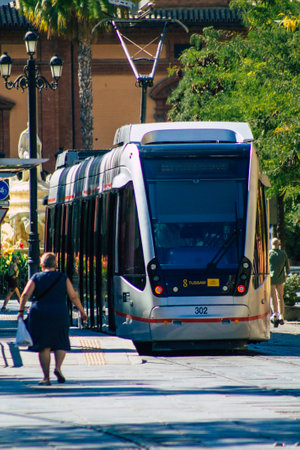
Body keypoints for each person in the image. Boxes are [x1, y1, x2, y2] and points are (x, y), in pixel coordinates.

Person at [17, 252, 88, 385]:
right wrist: (82, 312)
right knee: (60, 341)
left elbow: (25, 294)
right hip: (59, 312)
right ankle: (58, 368)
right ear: (55, 264)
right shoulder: (63, 277)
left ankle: (46, 378)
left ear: (42, 264)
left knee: (44, 345)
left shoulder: (36, 277)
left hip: (40, 313)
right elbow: (73, 296)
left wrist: (21, 311)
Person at [269, 238, 290, 325]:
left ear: (272, 244)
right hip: (280, 278)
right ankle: (281, 315)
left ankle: (275, 314)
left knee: (273, 297)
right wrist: (287, 274)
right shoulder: (283, 253)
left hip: (271, 278)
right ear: (279, 244)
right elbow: (287, 267)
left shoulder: (269, 253)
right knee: (280, 297)